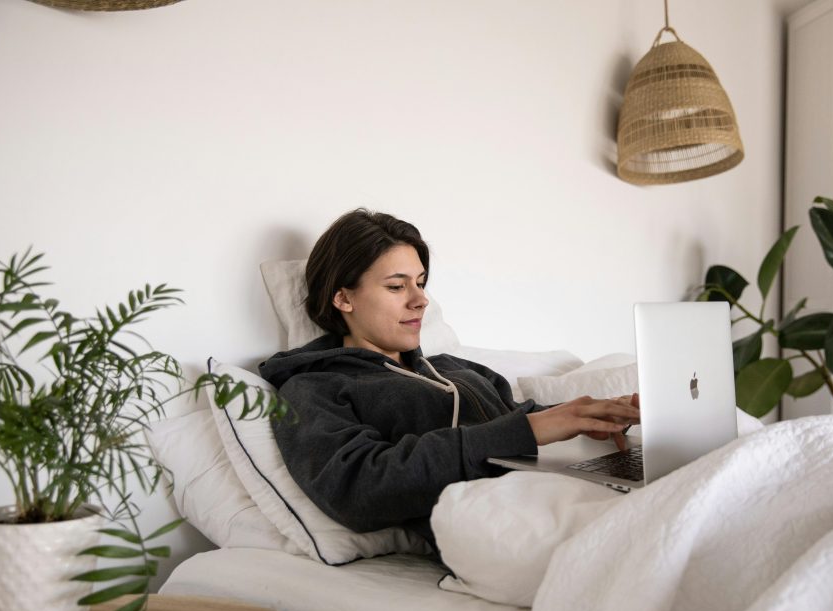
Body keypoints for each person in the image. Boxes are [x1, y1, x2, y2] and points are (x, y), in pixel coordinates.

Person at [259, 209, 639, 545]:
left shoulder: (458, 369)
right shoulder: (314, 386)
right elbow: (359, 489)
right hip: (504, 525)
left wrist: (595, 418)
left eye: (420, 282)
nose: (420, 299)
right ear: (343, 299)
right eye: (396, 286)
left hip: (567, 492)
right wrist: (526, 429)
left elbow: (524, 419)